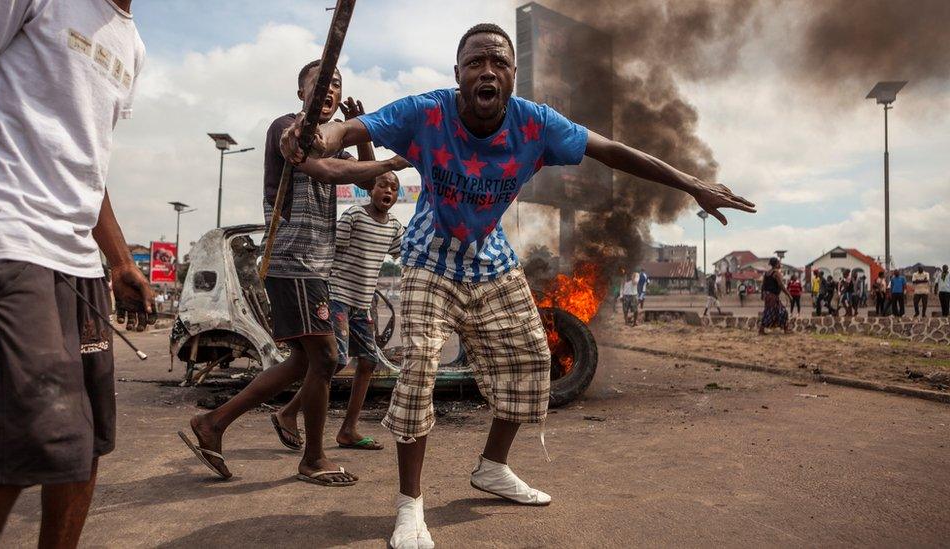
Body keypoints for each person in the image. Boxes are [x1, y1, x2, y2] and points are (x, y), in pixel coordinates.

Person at [288, 23, 755, 548]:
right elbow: (345, 134)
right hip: (429, 255)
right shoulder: (428, 112)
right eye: (475, 63)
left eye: (499, 63)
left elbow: (614, 150)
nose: (487, 71)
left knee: (534, 360)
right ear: (458, 74)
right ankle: (409, 506)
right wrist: (314, 135)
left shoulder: (536, 124)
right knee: (420, 361)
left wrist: (693, 185)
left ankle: (492, 466)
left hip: (490, 257)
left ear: (512, 75)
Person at [0, 2, 155, 547]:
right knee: (38, 429)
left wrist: (120, 261)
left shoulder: (133, 44)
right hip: (4, 230)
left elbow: (85, 161)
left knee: (87, 444)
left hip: (79, 262)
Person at [179, 61, 409, 485]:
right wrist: (395, 160)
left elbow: (359, 181)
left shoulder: (330, 137)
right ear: (300, 91)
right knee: (326, 357)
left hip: (314, 265)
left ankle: (216, 422)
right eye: (320, 82)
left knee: (306, 359)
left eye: (336, 84)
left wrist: (364, 134)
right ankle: (313, 459)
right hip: (294, 260)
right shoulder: (289, 129)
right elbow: (330, 171)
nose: (329, 89)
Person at [328, 171, 405, 450]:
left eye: (394, 188)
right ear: (369, 190)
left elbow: (405, 253)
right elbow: (333, 253)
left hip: (362, 303)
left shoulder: (394, 227)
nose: (388, 190)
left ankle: (348, 429)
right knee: (335, 360)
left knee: (369, 361)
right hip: (338, 296)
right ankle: (288, 412)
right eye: (382, 184)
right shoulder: (353, 216)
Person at [759, 258, 790, 334]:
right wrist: (789, 294)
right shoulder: (776, 273)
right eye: (779, 263)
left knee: (775, 312)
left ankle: (785, 329)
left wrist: (762, 294)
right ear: (776, 264)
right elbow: (781, 285)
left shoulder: (767, 273)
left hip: (768, 295)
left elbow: (763, 285)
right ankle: (761, 330)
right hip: (772, 296)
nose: (780, 265)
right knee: (773, 312)